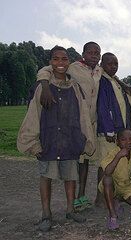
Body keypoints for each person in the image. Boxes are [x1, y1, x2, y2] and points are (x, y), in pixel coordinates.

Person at [17, 46, 95, 232]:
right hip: (49, 139)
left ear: (69, 62)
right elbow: (33, 115)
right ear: (50, 62)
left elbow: (83, 115)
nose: (60, 63)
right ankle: (46, 214)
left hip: (69, 139)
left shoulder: (74, 87)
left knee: (70, 177)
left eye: (64, 59)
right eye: (56, 59)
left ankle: (70, 210)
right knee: (46, 177)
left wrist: (85, 139)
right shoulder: (42, 87)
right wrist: (33, 143)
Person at [37, 42, 102, 210]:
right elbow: (47, 70)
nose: (94, 55)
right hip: (69, 120)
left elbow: (112, 77)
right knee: (64, 164)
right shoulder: (72, 67)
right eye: (90, 52)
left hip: (89, 121)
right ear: (83, 54)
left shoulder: (99, 71)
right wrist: (44, 85)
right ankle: (49, 212)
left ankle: (78, 198)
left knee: (82, 161)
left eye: (97, 53)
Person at [95, 52, 131, 207]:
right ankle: (100, 198)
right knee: (104, 164)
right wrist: (109, 130)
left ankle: (110, 194)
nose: (113, 66)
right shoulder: (102, 81)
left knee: (115, 164)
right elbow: (102, 107)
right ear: (102, 64)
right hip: (108, 133)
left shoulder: (115, 81)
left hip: (118, 130)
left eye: (116, 63)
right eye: (110, 63)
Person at [98, 129, 131, 230]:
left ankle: (117, 200)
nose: (128, 142)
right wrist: (118, 156)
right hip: (111, 185)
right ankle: (113, 215)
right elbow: (107, 172)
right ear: (117, 142)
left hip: (125, 185)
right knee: (107, 179)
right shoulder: (112, 153)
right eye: (123, 140)